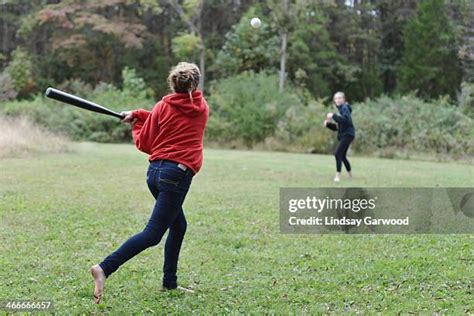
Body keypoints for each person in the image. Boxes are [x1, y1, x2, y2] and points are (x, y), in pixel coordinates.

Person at [90, 62, 209, 304]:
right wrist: (138, 116)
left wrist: (136, 120)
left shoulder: (162, 106)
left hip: (155, 174)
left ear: (173, 83)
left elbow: (146, 141)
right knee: (153, 234)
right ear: (195, 85)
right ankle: (104, 267)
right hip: (176, 175)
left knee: (178, 226)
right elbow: (161, 117)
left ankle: (169, 283)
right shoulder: (201, 108)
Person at [324, 91, 355, 182]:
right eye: (336, 98)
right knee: (343, 156)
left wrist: (333, 115)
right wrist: (328, 125)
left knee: (338, 154)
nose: (337, 100)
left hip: (348, 134)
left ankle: (337, 176)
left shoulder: (344, 108)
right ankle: (350, 176)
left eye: (339, 98)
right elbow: (338, 127)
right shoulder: (341, 110)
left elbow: (345, 120)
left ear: (343, 99)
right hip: (347, 134)